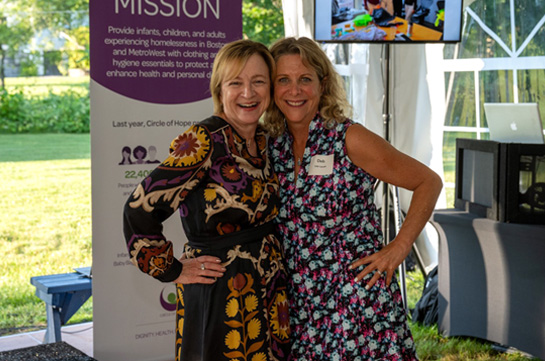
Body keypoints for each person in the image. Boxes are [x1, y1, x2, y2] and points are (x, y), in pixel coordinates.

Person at [264, 37, 442, 360]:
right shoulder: (271, 146)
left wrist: (398, 249)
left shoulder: (347, 137)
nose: (295, 90)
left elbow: (427, 182)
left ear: (323, 83)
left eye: (305, 79)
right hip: (302, 306)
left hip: (358, 303)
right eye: (283, 80)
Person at [123, 40, 291, 361]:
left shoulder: (263, 140)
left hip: (269, 287)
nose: (248, 93)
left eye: (258, 81)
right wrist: (171, 270)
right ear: (219, 89)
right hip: (220, 289)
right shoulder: (204, 141)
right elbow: (138, 210)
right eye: (236, 83)